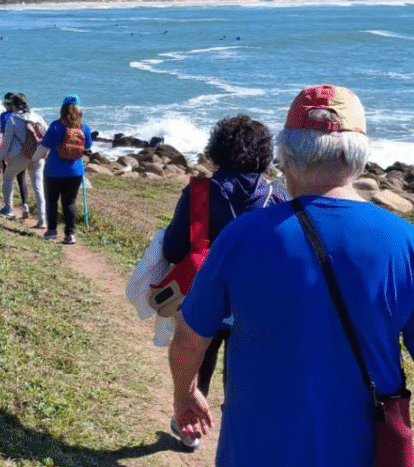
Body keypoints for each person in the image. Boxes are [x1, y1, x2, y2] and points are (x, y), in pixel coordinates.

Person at [169, 84, 414, 467]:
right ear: (360, 157)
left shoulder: (243, 236)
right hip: (366, 450)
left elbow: (188, 340)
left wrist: (184, 395)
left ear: (286, 154)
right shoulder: (404, 241)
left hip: (257, 449)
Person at [161, 114, 288, 450]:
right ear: (265, 154)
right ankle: (243, 438)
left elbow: (174, 247)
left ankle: (189, 428)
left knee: (199, 357)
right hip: (259, 303)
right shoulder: (278, 198)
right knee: (245, 373)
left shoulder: (199, 192)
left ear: (216, 149)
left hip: (205, 296)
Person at [32, 95, 92, 245]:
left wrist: (33, 160)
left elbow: (43, 148)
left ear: (62, 109)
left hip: (53, 170)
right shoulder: (84, 128)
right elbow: (88, 147)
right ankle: (70, 235)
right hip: (75, 171)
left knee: (51, 201)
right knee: (69, 202)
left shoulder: (55, 126)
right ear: (79, 110)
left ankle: (52, 231)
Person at [0, 93, 48, 227]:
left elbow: (6, 143)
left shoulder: (13, 119)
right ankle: (42, 219)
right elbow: (46, 135)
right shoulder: (37, 116)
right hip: (36, 154)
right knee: (38, 187)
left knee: (8, 177)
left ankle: (9, 209)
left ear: (14, 105)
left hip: (19, 155)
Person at [0, 91, 29, 219]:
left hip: (11, 152)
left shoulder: (5, 116)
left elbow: (3, 136)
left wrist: (2, 154)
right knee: (22, 179)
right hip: (24, 152)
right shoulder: (23, 116)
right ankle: (25, 205)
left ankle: (8, 206)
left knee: (8, 178)